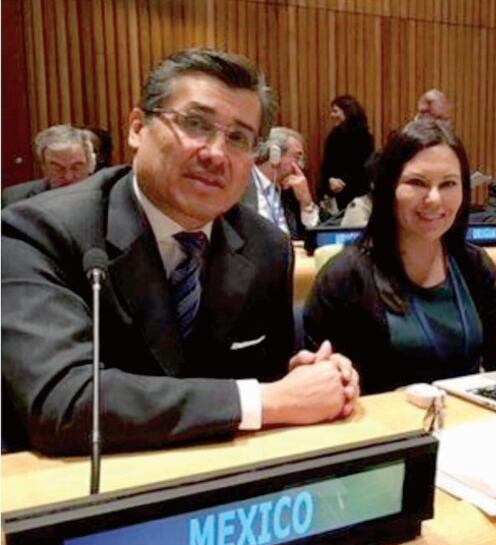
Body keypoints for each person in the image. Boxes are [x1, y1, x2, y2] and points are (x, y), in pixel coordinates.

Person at [1, 48, 359, 456]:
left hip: (218, 492)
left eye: (238, 138)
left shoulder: (266, 247)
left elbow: (268, 382)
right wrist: (268, 400)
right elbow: (63, 402)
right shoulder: (38, 232)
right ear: (138, 128)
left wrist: (307, 377)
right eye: (195, 124)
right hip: (81, 489)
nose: (215, 153)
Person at [304, 119, 496, 395]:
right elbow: (320, 384)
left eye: (448, 184)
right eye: (417, 183)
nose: (434, 199)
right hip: (385, 432)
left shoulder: (476, 266)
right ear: (388, 188)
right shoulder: (345, 277)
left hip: (467, 426)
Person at [241, 126, 321, 238]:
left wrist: (306, 203)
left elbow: (315, 237)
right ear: (275, 154)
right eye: (297, 157)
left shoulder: (292, 191)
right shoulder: (241, 185)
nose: (300, 166)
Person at [2, 124, 96, 208]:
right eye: (58, 169)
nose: (68, 177)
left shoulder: (108, 199)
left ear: (90, 165)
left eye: (76, 168)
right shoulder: (13, 199)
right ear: (44, 167)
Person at [317, 94, 375, 213]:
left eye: (335, 111)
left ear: (347, 112)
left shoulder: (365, 137)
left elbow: (362, 167)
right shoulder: (333, 136)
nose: (331, 115)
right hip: (333, 195)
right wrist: (329, 180)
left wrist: (343, 182)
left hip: (356, 195)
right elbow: (326, 165)